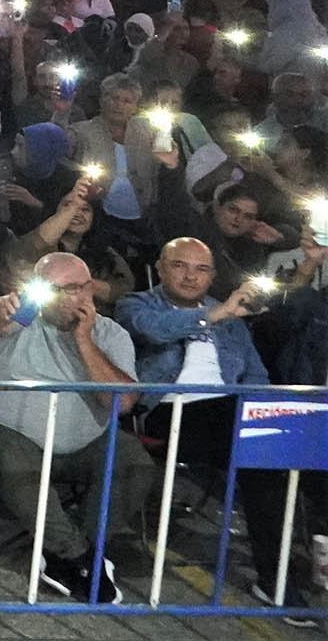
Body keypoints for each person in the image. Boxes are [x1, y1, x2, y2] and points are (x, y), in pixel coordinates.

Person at [118, 236, 313, 609]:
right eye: (180, 266)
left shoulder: (230, 316)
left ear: (212, 276)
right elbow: (152, 330)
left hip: (227, 417)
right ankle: (279, 575)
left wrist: (273, 413)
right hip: (166, 414)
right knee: (255, 435)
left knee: (284, 444)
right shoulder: (137, 304)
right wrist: (216, 313)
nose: (191, 276)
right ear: (160, 268)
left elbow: (255, 375)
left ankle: (281, 574)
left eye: (201, 269)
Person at [0, 252, 156, 604]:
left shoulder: (111, 334)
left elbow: (121, 404)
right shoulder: (23, 316)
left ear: (88, 289)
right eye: (52, 288)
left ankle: (63, 554)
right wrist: (7, 305)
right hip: (17, 438)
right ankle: (80, 557)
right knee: (9, 454)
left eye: (71, 289)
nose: (61, 297)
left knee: (134, 462)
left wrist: (84, 341)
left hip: (86, 443)